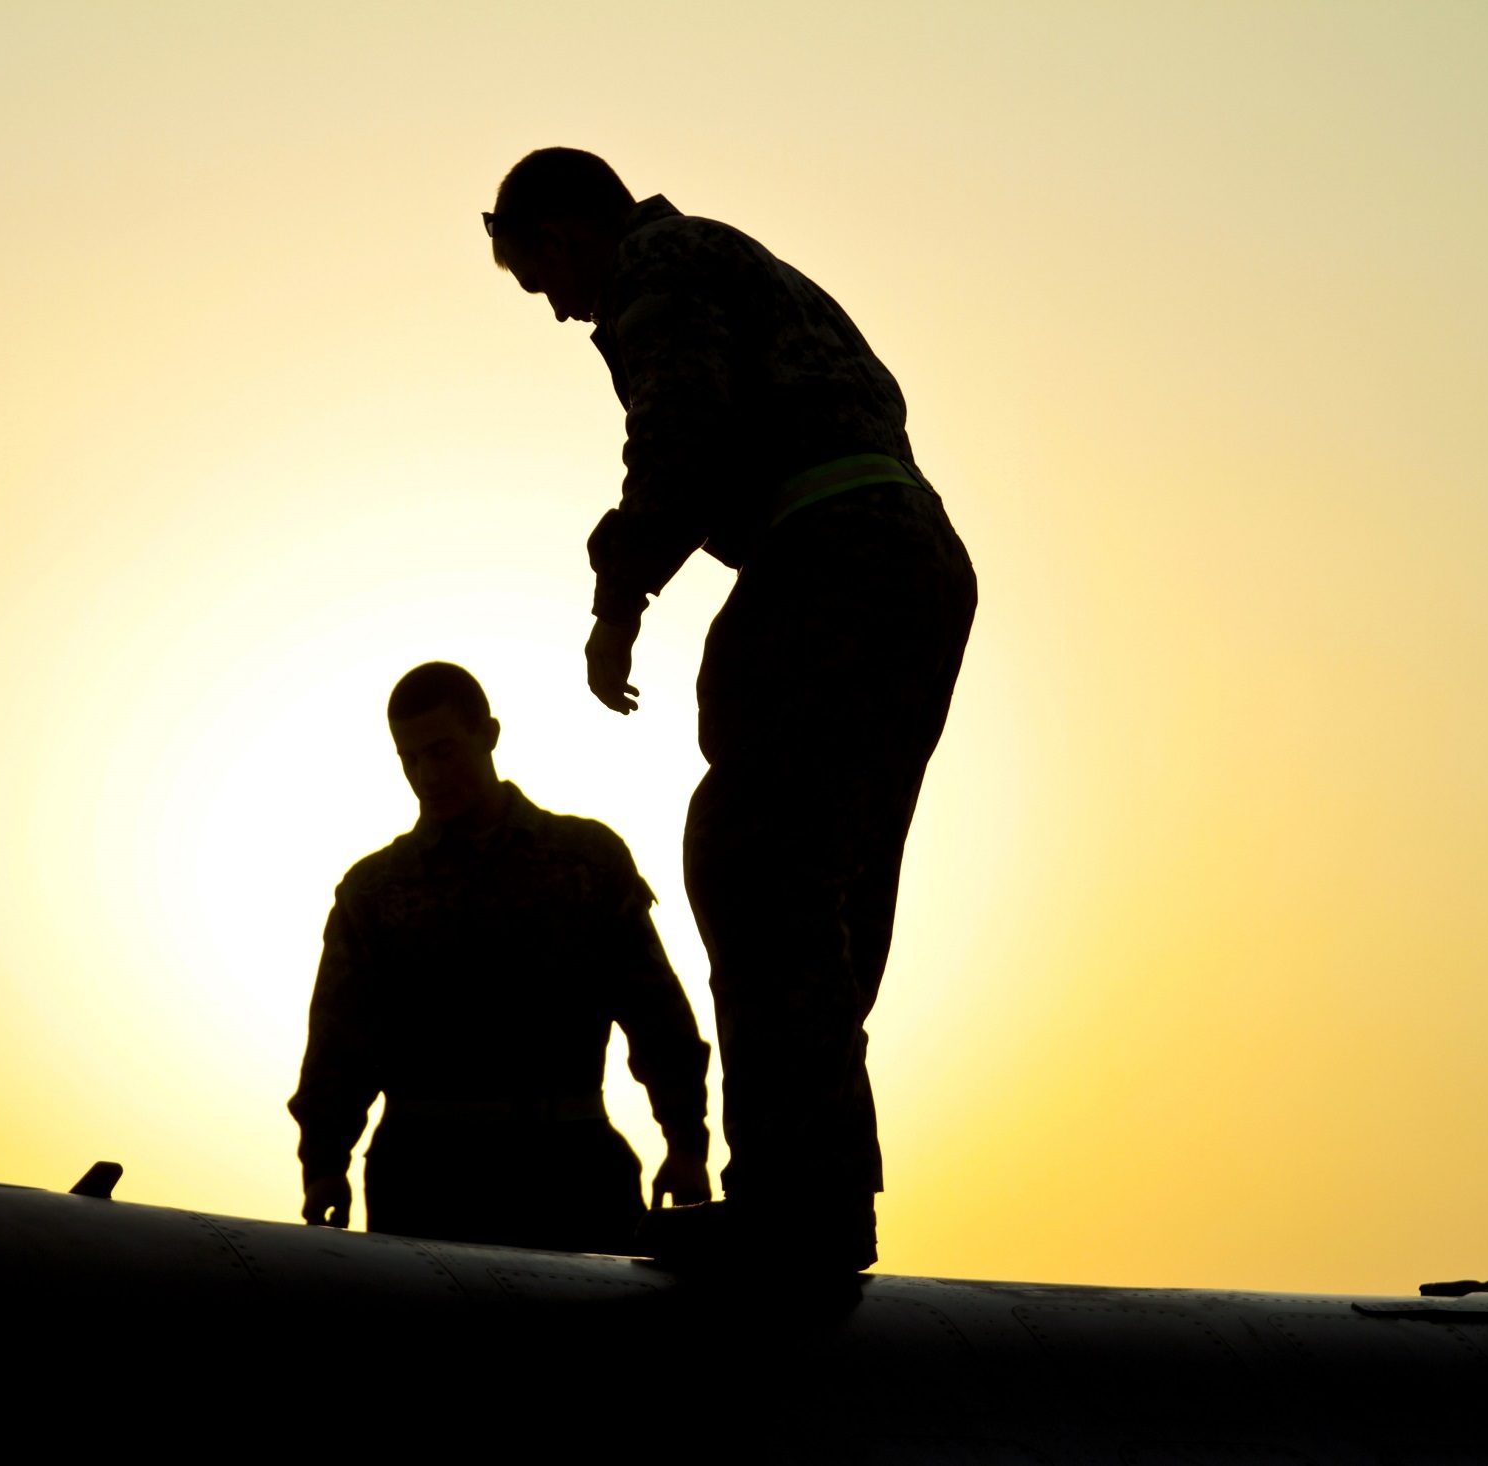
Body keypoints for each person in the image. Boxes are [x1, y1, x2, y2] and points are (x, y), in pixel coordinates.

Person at [484, 149, 978, 1271]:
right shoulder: (742, 264)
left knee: (756, 862)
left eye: (544, 281)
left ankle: (794, 1200)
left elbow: (683, 432)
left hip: (833, 556)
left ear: (560, 237)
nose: (562, 312)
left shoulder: (659, 266)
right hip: (910, 560)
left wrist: (620, 594)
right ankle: (822, 1189)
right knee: (828, 886)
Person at [288, 661, 712, 1254]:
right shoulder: (374, 891)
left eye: (443, 752)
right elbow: (339, 1043)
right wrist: (324, 1166)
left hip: (571, 1175)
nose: (428, 776)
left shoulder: (587, 860)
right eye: (410, 760)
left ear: (487, 734)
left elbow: (656, 1013)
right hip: (425, 1185)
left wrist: (687, 1144)